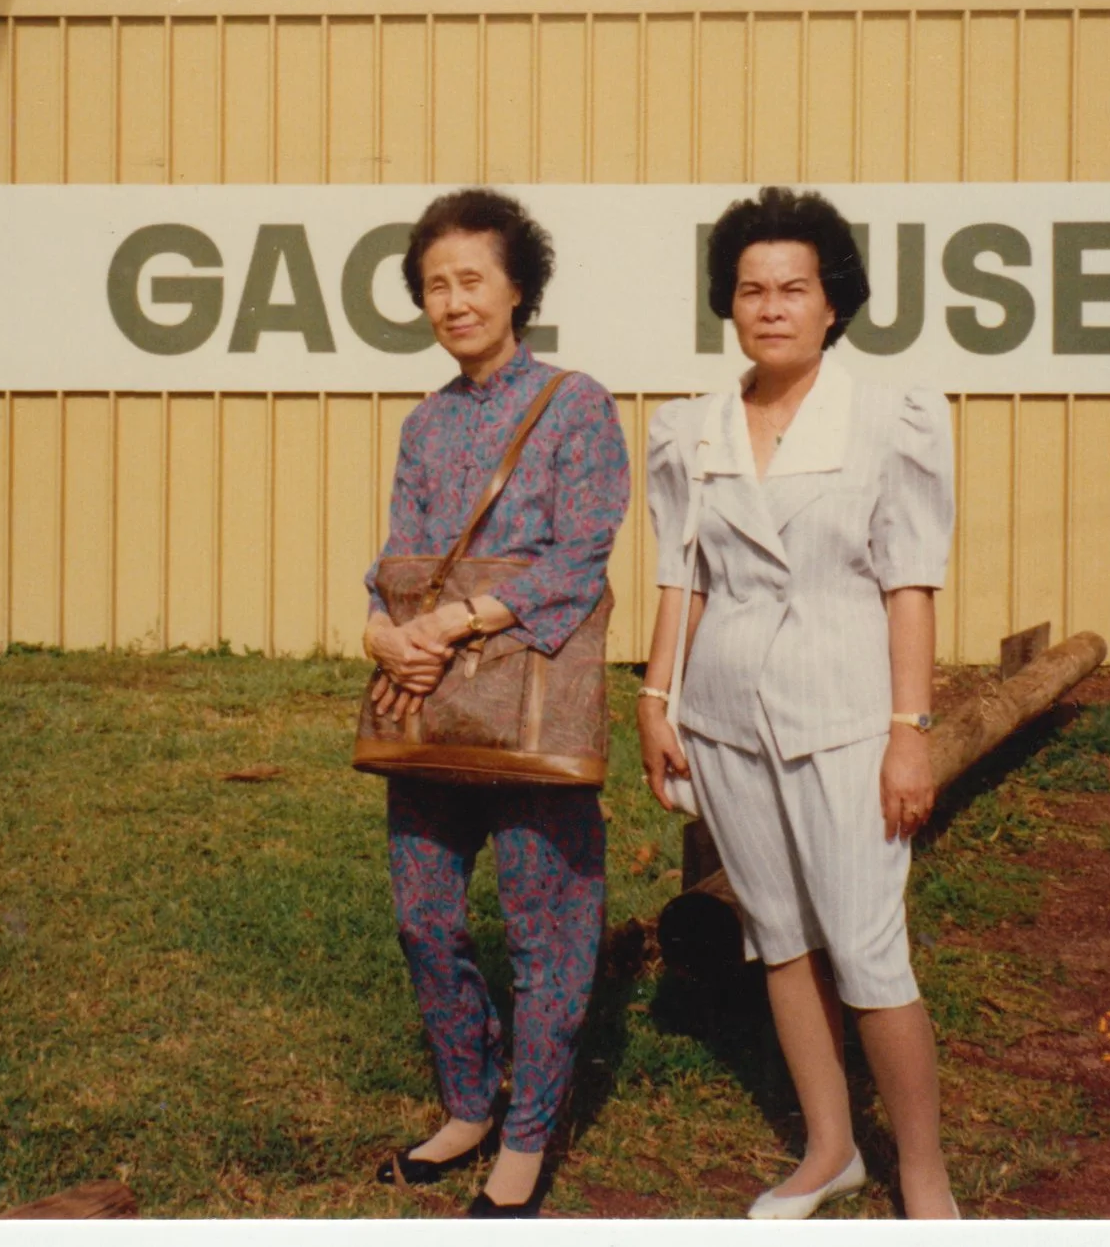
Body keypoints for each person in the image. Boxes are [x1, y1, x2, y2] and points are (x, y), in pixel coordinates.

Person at [638, 186, 960, 1221]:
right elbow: (679, 577)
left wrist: (909, 733)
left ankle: (922, 1171)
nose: (771, 306)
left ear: (832, 304)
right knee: (777, 933)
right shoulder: (690, 429)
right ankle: (829, 1149)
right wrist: (657, 698)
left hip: (849, 714)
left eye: (793, 288)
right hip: (726, 716)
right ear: (727, 304)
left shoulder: (891, 419)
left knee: (867, 946)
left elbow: (908, 582)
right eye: (750, 289)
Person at [362, 186, 629, 1219]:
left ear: (519, 286)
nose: (452, 299)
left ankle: (526, 1138)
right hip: (429, 701)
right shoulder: (425, 421)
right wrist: (383, 628)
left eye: (472, 277)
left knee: (545, 922)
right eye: (434, 283)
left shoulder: (576, 402)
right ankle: (468, 1102)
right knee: (423, 914)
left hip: (532, 698)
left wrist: (456, 619)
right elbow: (399, 557)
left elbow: (580, 556)